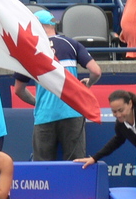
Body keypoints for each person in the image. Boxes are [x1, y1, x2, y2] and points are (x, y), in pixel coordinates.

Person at [12, 10, 101, 160]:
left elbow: (19, 90)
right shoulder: (71, 44)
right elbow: (96, 71)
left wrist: (38, 102)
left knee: (43, 171)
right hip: (73, 112)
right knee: (75, 166)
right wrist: (89, 83)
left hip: (44, 116)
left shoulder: (28, 50)